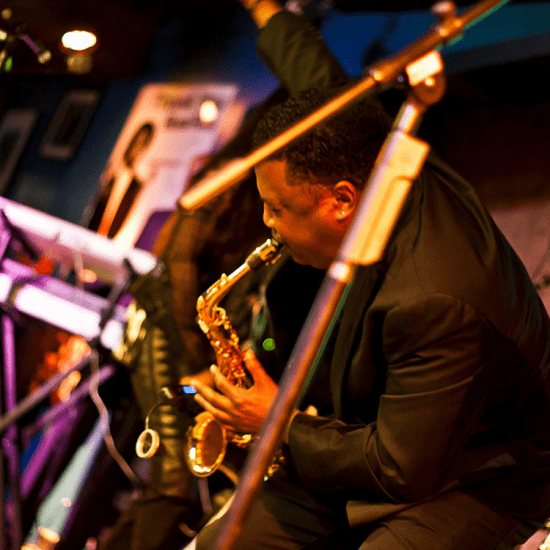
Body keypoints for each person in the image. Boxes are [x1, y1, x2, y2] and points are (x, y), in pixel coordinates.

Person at [187, 86, 550, 550]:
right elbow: (326, 82)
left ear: (341, 200)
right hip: (382, 437)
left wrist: (278, 423)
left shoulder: (433, 300)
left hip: (482, 476)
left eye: (278, 208)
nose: (267, 223)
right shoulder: (383, 167)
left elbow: (399, 468)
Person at [95, 3, 347, 550]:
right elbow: (179, 261)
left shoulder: (270, 195)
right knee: (171, 487)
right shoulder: (237, 179)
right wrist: (194, 364)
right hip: (165, 329)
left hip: (184, 336)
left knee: (166, 489)